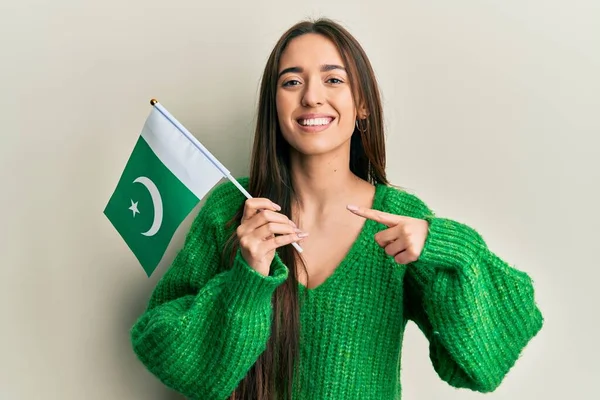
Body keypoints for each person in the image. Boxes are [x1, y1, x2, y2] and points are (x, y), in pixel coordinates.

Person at [130, 18, 544, 400]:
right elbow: (167, 352)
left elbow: (485, 364)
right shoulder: (233, 210)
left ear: (361, 103)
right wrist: (248, 276)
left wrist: (447, 246)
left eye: (333, 79)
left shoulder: (400, 216)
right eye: (292, 82)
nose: (312, 97)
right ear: (274, 104)